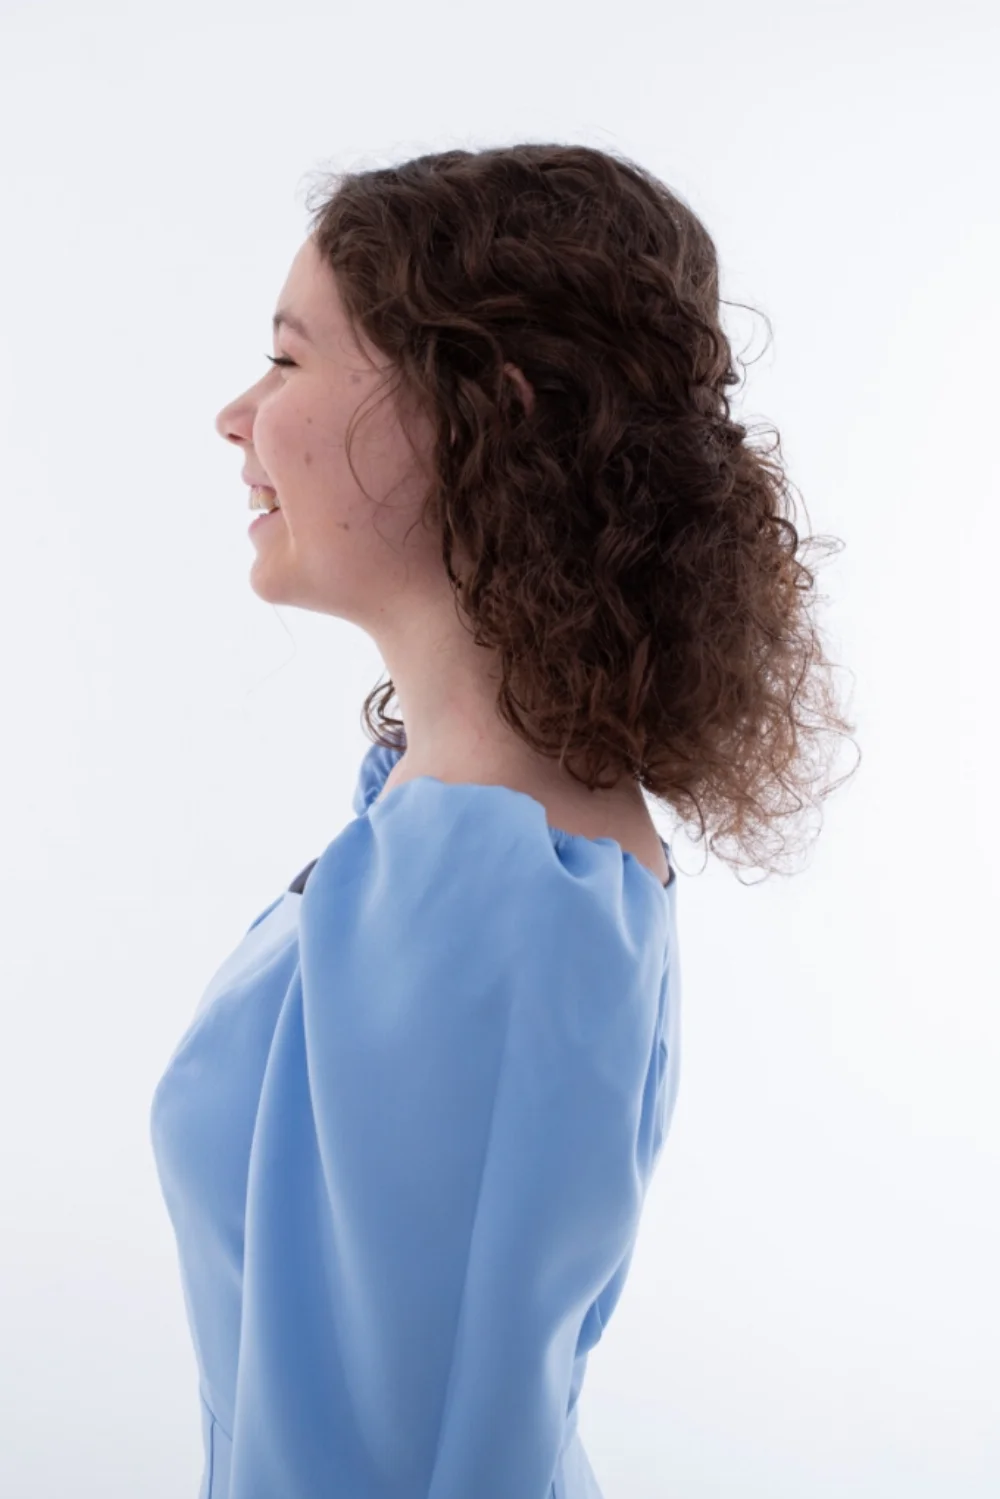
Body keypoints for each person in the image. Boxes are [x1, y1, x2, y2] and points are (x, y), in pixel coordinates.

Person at [150, 141, 856, 1499]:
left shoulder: (489, 892)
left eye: (289, 361)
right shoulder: (451, 832)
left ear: (483, 413)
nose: (238, 416)